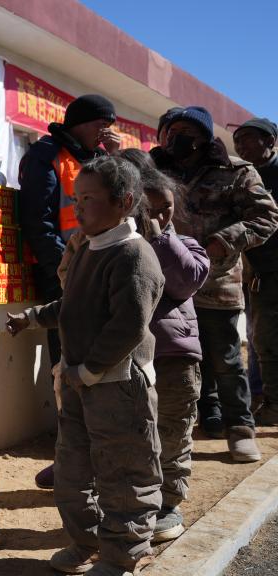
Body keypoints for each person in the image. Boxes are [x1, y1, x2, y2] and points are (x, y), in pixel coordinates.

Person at [8, 156, 165, 576]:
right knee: (72, 471)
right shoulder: (86, 248)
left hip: (117, 386)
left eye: (89, 199)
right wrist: (33, 317)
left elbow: (128, 325)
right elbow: (73, 304)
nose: (77, 208)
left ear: (124, 201)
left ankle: (124, 554)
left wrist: (89, 370)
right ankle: (87, 543)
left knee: (124, 473)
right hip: (80, 382)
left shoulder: (133, 254)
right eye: (75, 199)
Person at [152, 106, 278, 461]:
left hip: (217, 281)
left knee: (225, 359)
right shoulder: (153, 169)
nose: (176, 138)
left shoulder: (236, 171)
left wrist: (222, 243)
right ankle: (192, 424)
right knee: (175, 358)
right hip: (166, 285)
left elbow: (266, 216)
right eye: (171, 131)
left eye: (186, 132)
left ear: (204, 137)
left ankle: (240, 429)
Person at [17, 94, 121, 489]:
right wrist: (65, 269)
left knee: (104, 363)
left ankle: (100, 456)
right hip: (65, 276)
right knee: (67, 368)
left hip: (103, 271)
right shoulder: (46, 155)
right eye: (100, 123)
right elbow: (37, 221)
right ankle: (72, 458)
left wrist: (115, 160)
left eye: (110, 125)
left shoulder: (100, 160)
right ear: (78, 122)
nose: (106, 131)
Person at [120, 151, 210, 543]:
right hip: (127, 359)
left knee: (172, 435)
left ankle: (169, 504)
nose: (158, 216)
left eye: (166, 208)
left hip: (174, 359)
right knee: (132, 435)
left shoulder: (184, 244)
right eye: (149, 209)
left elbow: (187, 280)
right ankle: (133, 503)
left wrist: (159, 238)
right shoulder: (118, 244)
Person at [234, 117, 278, 426]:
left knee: (267, 340)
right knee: (261, 340)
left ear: (270, 142)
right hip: (254, 274)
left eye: (248, 138)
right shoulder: (241, 177)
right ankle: (267, 400)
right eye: (237, 140)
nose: (241, 145)